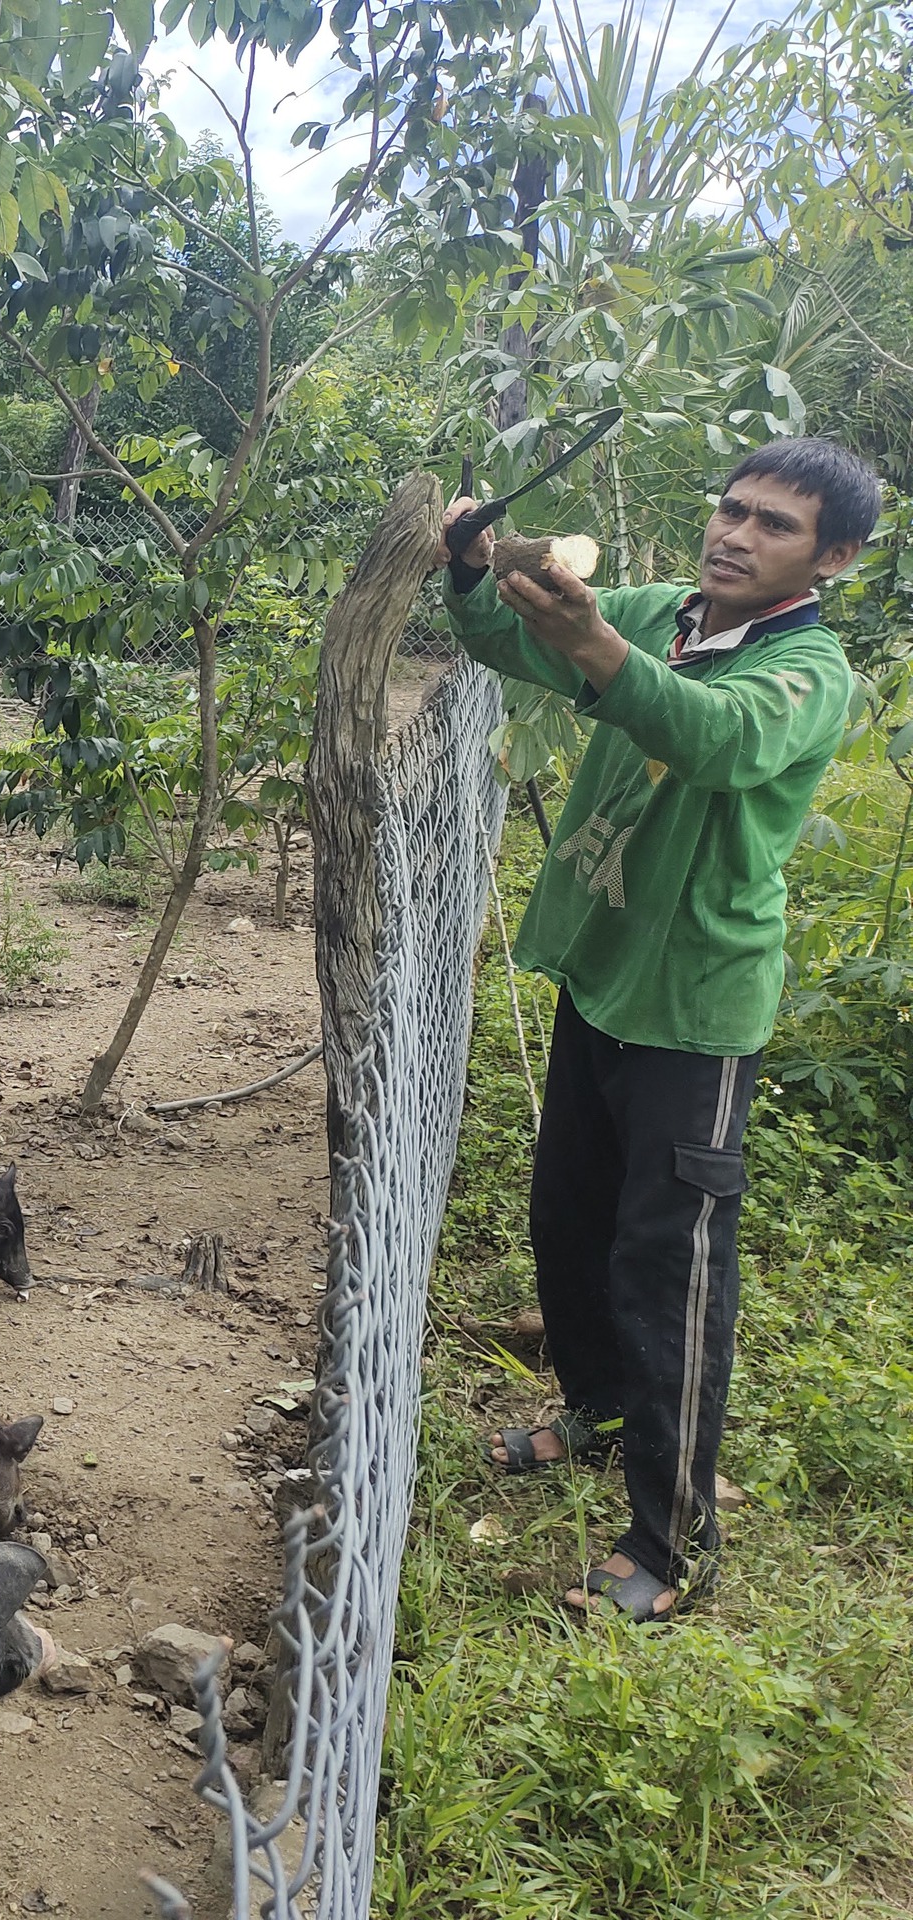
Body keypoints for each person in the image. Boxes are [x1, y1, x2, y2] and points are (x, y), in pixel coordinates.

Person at [433, 435, 880, 1625]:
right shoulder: (664, 614)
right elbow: (500, 645)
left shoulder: (806, 670)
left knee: (667, 1270)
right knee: (567, 1217)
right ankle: (596, 1410)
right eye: (729, 508)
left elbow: (707, 736)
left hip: (694, 1009)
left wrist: (589, 637)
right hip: (604, 975)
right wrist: (478, 575)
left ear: (828, 558)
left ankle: (673, 1546)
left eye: (771, 524)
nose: (733, 533)